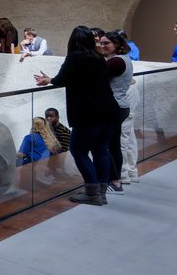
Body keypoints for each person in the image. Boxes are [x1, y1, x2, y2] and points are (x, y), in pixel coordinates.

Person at [34, 26, 120, 205]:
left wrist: (49, 80)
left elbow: (62, 79)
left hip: (88, 114)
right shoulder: (98, 57)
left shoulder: (75, 57)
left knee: (78, 150)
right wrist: (52, 79)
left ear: (72, 41)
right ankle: (102, 191)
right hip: (109, 110)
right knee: (100, 150)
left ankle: (92, 192)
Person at [101, 31, 134, 194]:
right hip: (119, 106)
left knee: (104, 145)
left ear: (117, 44)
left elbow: (95, 79)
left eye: (106, 43)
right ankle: (116, 180)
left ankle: (113, 181)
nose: (102, 46)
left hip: (114, 107)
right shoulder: (122, 59)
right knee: (113, 145)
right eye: (101, 43)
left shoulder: (115, 62)